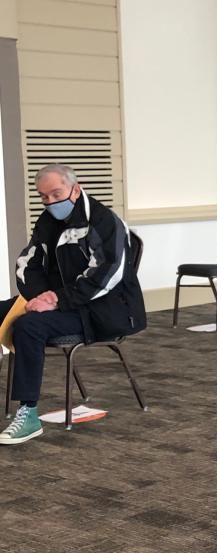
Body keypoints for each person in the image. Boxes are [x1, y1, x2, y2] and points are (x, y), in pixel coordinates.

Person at [0, 164, 146, 445]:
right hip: (64, 304)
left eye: (56, 194)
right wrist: (40, 296)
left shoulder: (104, 222)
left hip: (103, 311)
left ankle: (28, 414)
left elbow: (108, 274)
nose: (51, 202)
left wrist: (57, 299)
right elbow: (27, 264)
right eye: (44, 197)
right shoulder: (47, 222)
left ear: (75, 190)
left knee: (28, 326)